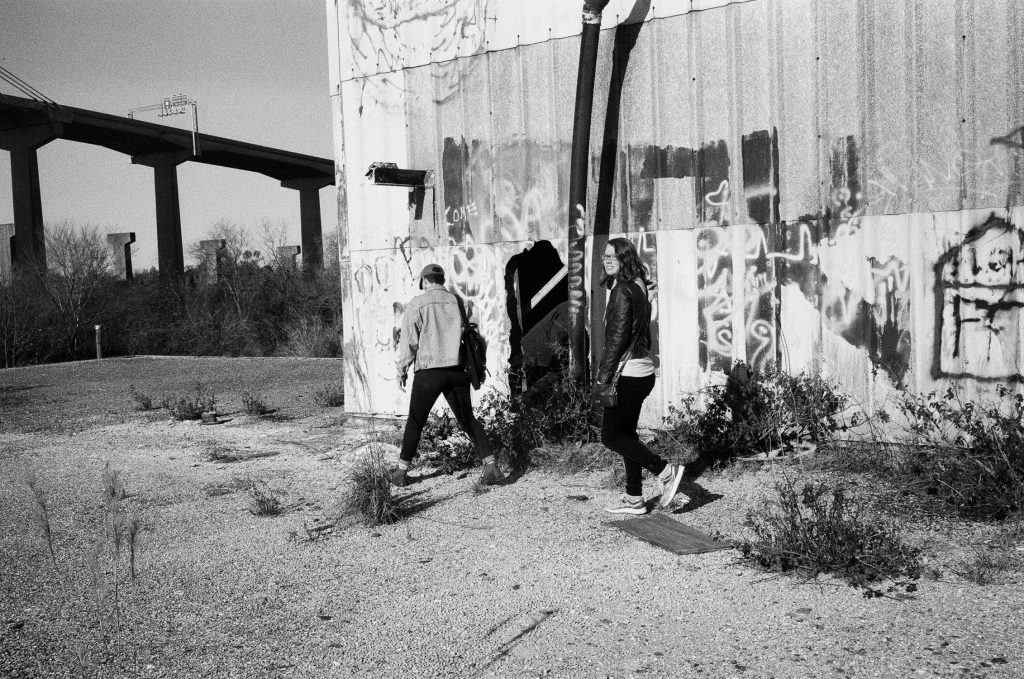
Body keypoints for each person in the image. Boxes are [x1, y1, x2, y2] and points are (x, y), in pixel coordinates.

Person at [392, 263, 504, 487]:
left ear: (424, 281)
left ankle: (400, 474)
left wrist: (402, 368)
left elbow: (409, 342)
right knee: (468, 420)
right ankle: (491, 467)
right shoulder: (456, 301)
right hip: (456, 370)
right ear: (442, 280)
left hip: (429, 372)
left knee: (416, 421)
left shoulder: (417, 304)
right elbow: (466, 332)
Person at [596, 238, 685, 514]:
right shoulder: (638, 285)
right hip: (642, 371)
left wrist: (603, 377)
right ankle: (634, 498)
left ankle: (666, 471)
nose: (607, 260)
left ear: (625, 258)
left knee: (611, 437)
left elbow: (618, 338)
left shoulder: (622, 290)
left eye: (614, 256)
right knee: (627, 434)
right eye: (606, 256)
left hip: (628, 373)